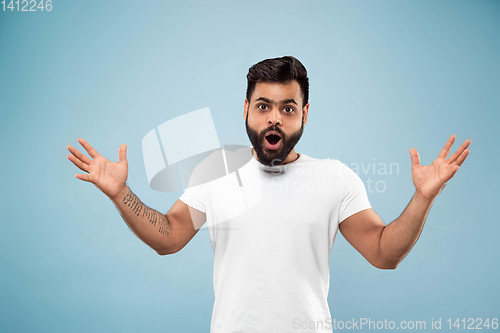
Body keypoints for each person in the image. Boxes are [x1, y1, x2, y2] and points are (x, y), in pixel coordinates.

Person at [66, 56, 471, 333]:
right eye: (263, 105)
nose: (274, 117)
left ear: (305, 113)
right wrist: (121, 194)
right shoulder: (215, 171)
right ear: (245, 109)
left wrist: (422, 198)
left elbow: (384, 253)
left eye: (288, 108)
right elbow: (168, 237)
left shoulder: (335, 178)